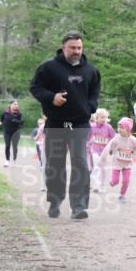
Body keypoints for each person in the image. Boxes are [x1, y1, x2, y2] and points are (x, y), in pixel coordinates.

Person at [29, 31, 101, 219]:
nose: (76, 51)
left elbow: (95, 93)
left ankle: (79, 207)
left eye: (79, 47)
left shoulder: (91, 71)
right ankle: (55, 201)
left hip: (80, 124)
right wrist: (51, 97)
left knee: (80, 163)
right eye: (72, 48)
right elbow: (35, 88)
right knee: (55, 165)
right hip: (56, 123)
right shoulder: (48, 68)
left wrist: (89, 108)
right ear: (63, 48)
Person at [97, 117, 136, 202]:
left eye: (122, 128)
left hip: (127, 164)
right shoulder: (116, 139)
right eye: (118, 127)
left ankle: (122, 195)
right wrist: (102, 159)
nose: (119, 129)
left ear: (128, 129)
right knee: (115, 181)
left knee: (126, 180)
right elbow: (107, 148)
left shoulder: (133, 140)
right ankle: (113, 182)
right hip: (117, 163)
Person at [87, 109, 116, 193]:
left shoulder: (108, 127)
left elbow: (114, 137)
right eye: (102, 117)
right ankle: (96, 185)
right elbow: (87, 136)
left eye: (105, 117)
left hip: (104, 152)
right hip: (94, 150)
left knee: (103, 169)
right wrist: (88, 144)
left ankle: (102, 185)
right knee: (96, 167)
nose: (104, 119)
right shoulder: (92, 126)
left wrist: (111, 147)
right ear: (96, 118)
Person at [0, 100, 24, 167]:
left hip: (16, 131)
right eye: (14, 104)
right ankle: (7, 160)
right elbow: (1, 119)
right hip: (7, 131)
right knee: (7, 145)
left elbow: (22, 122)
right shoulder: (5, 112)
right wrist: (0, 122)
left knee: (14, 147)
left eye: (17, 104)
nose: (16, 105)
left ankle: (14, 160)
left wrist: (16, 121)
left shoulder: (19, 114)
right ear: (11, 105)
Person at [34, 115, 47, 190]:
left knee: (45, 167)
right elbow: (37, 136)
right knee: (44, 166)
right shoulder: (42, 126)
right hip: (45, 148)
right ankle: (44, 185)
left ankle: (45, 185)